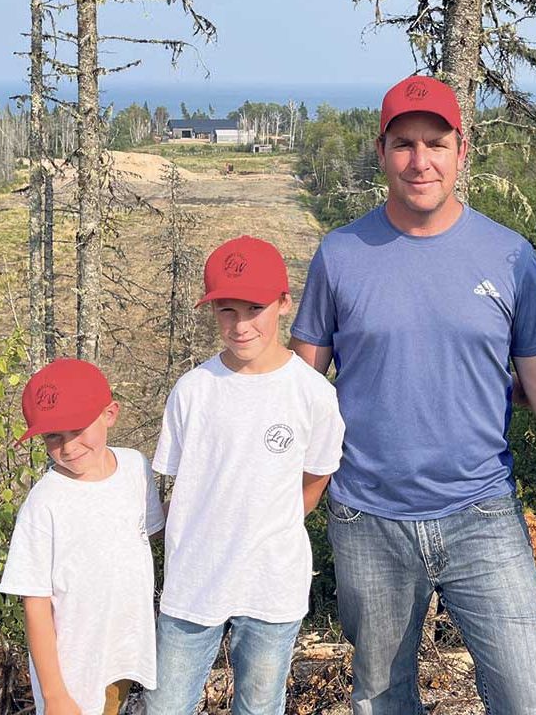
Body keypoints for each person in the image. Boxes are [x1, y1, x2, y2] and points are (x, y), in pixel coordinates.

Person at [290, 75, 536, 714]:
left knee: (534, 700)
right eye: (404, 144)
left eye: (435, 143)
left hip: (481, 511)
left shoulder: (508, 256)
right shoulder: (341, 255)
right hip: (367, 514)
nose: (420, 161)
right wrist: (279, 498)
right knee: (384, 699)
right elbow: (300, 389)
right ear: (381, 150)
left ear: (461, 148)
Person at [146, 235, 346, 715]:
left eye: (254, 307)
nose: (240, 325)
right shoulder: (193, 391)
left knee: (259, 706)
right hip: (192, 582)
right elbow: (178, 487)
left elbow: (314, 482)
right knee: (166, 705)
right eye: (226, 311)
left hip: (271, 582)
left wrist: (263, 525)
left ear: (283, 303)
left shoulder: (312, 394)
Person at [0, 358, 165, 715]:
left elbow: (151, 536)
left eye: (77, 428)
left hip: (122, 652)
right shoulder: (44, 503)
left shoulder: (136, 469)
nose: (69, 446)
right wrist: (55, 694)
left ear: (110, 413)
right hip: (73, 672)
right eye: (53, 436)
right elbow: (35, 603)